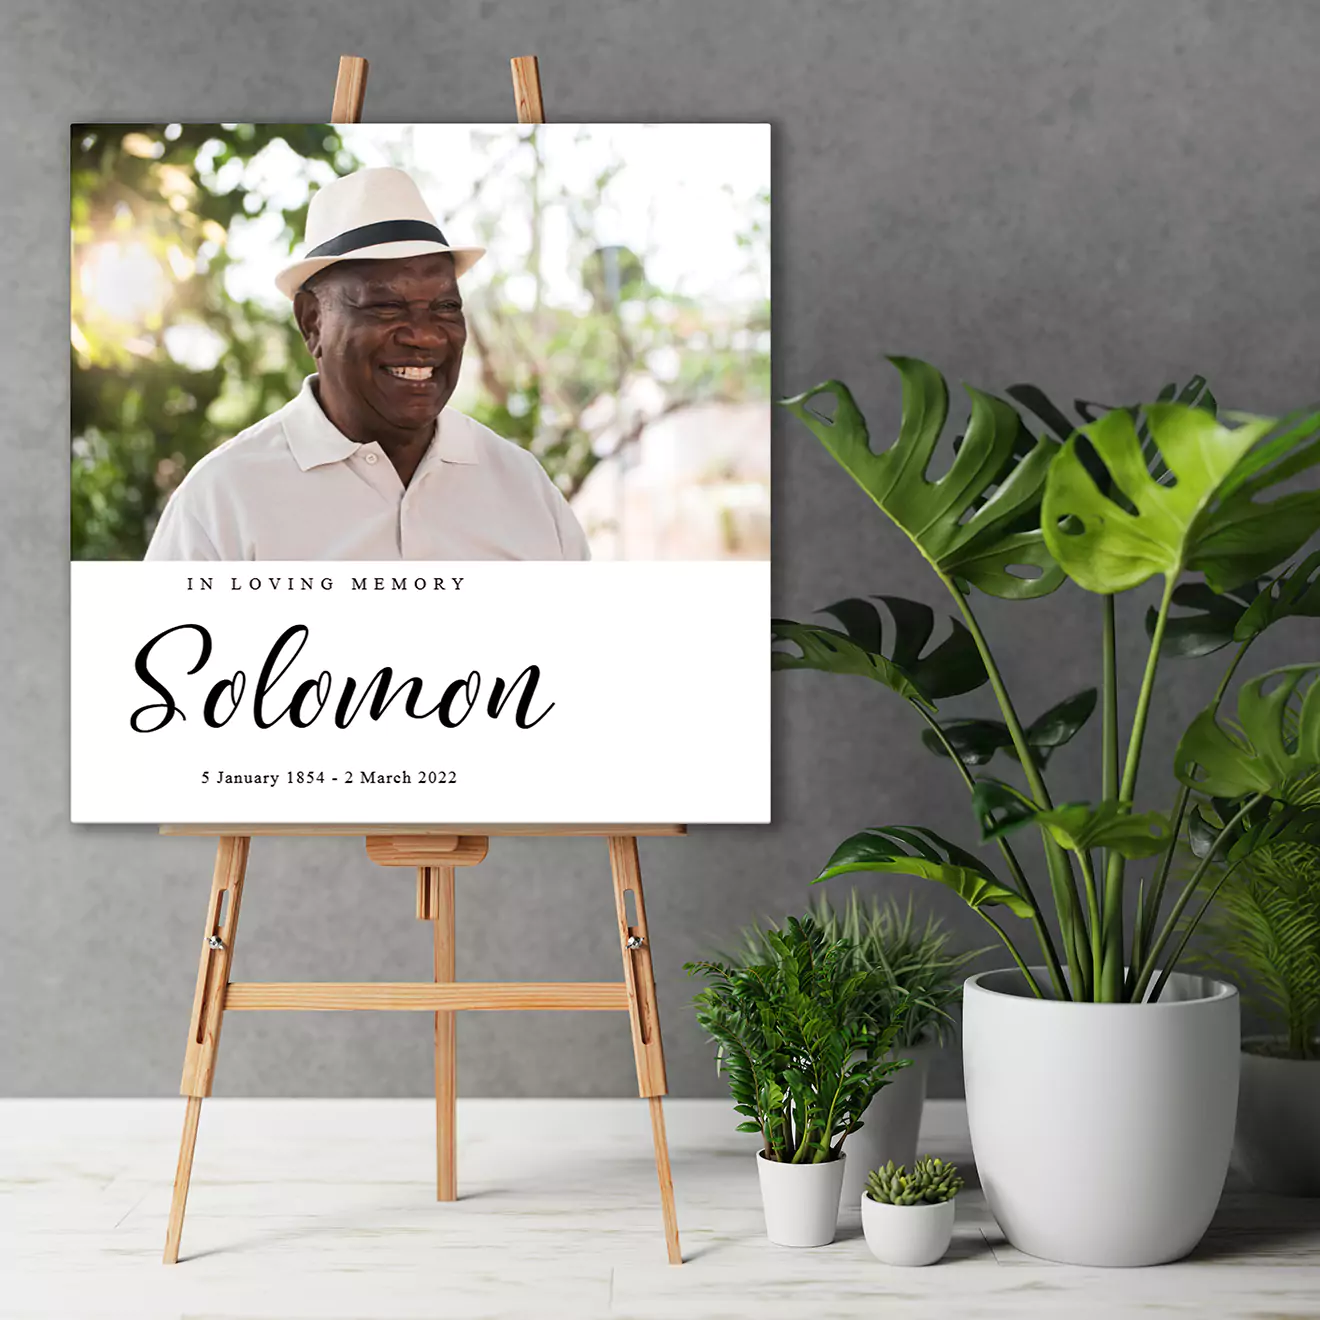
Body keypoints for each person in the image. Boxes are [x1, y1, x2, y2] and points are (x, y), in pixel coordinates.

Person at [145, 167, 590, 561]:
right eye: (385, 307)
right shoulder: (222, 500)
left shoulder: (523, 487)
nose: (426, 335)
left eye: (446, 306)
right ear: (312, 322)